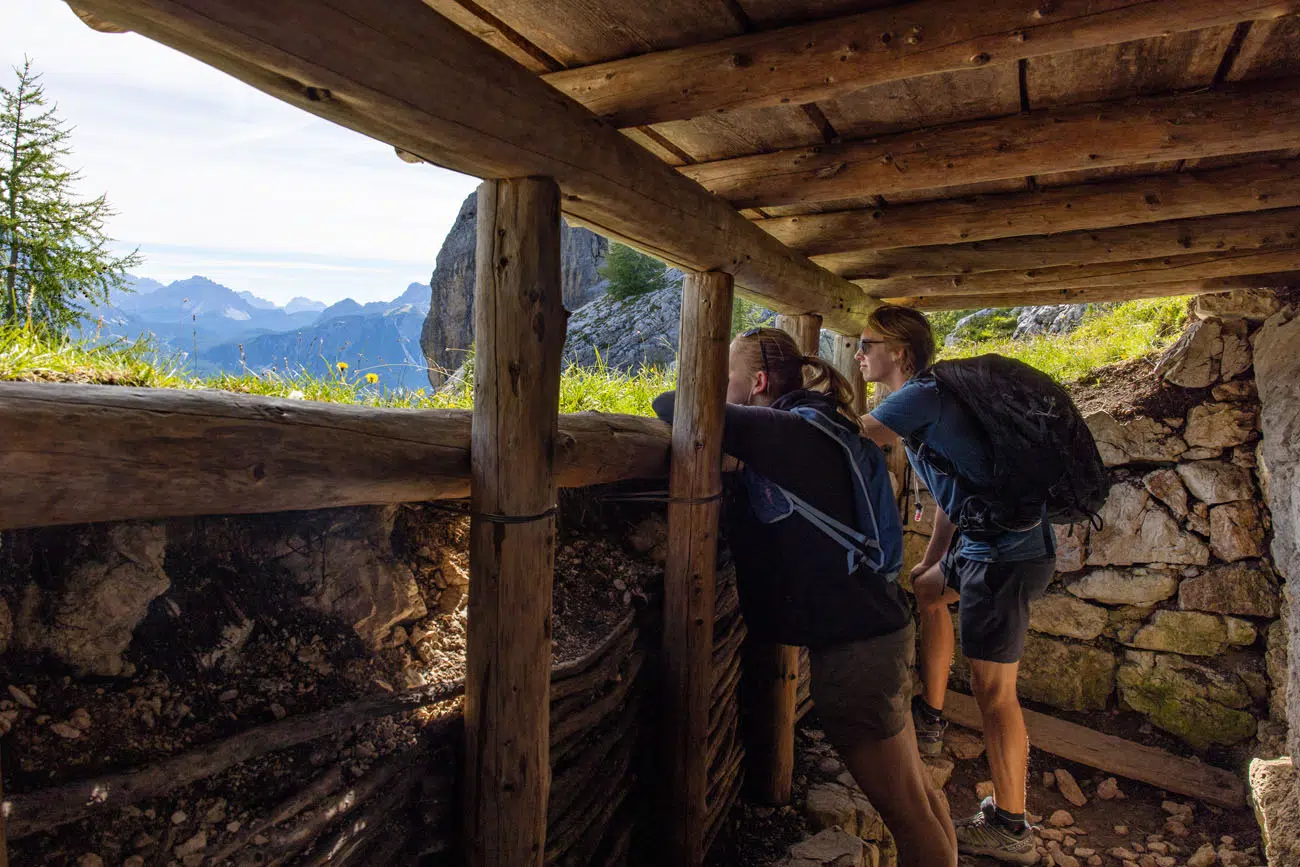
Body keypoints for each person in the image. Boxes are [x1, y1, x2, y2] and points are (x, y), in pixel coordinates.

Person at [652, 327, 957, 867]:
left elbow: (673, 404)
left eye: (728, 377)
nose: (721, 387)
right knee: (917, 793)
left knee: (907, 812)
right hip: (877, 628)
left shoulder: (789, 433)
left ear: (759, 382)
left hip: (857, 650)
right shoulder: (823, 422)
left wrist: (712, 398)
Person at [856, 305, 1055, 865]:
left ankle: (1012, 827)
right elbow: (951, 495)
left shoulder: (919, 395)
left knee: (995, 693)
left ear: (899, 353)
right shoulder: (931, 401)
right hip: (979, 547)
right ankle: (933, 715)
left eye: (867, 344)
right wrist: (931, 561)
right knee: (927, 591)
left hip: (1005, 557)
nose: (859, 354)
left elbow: (850, 437)